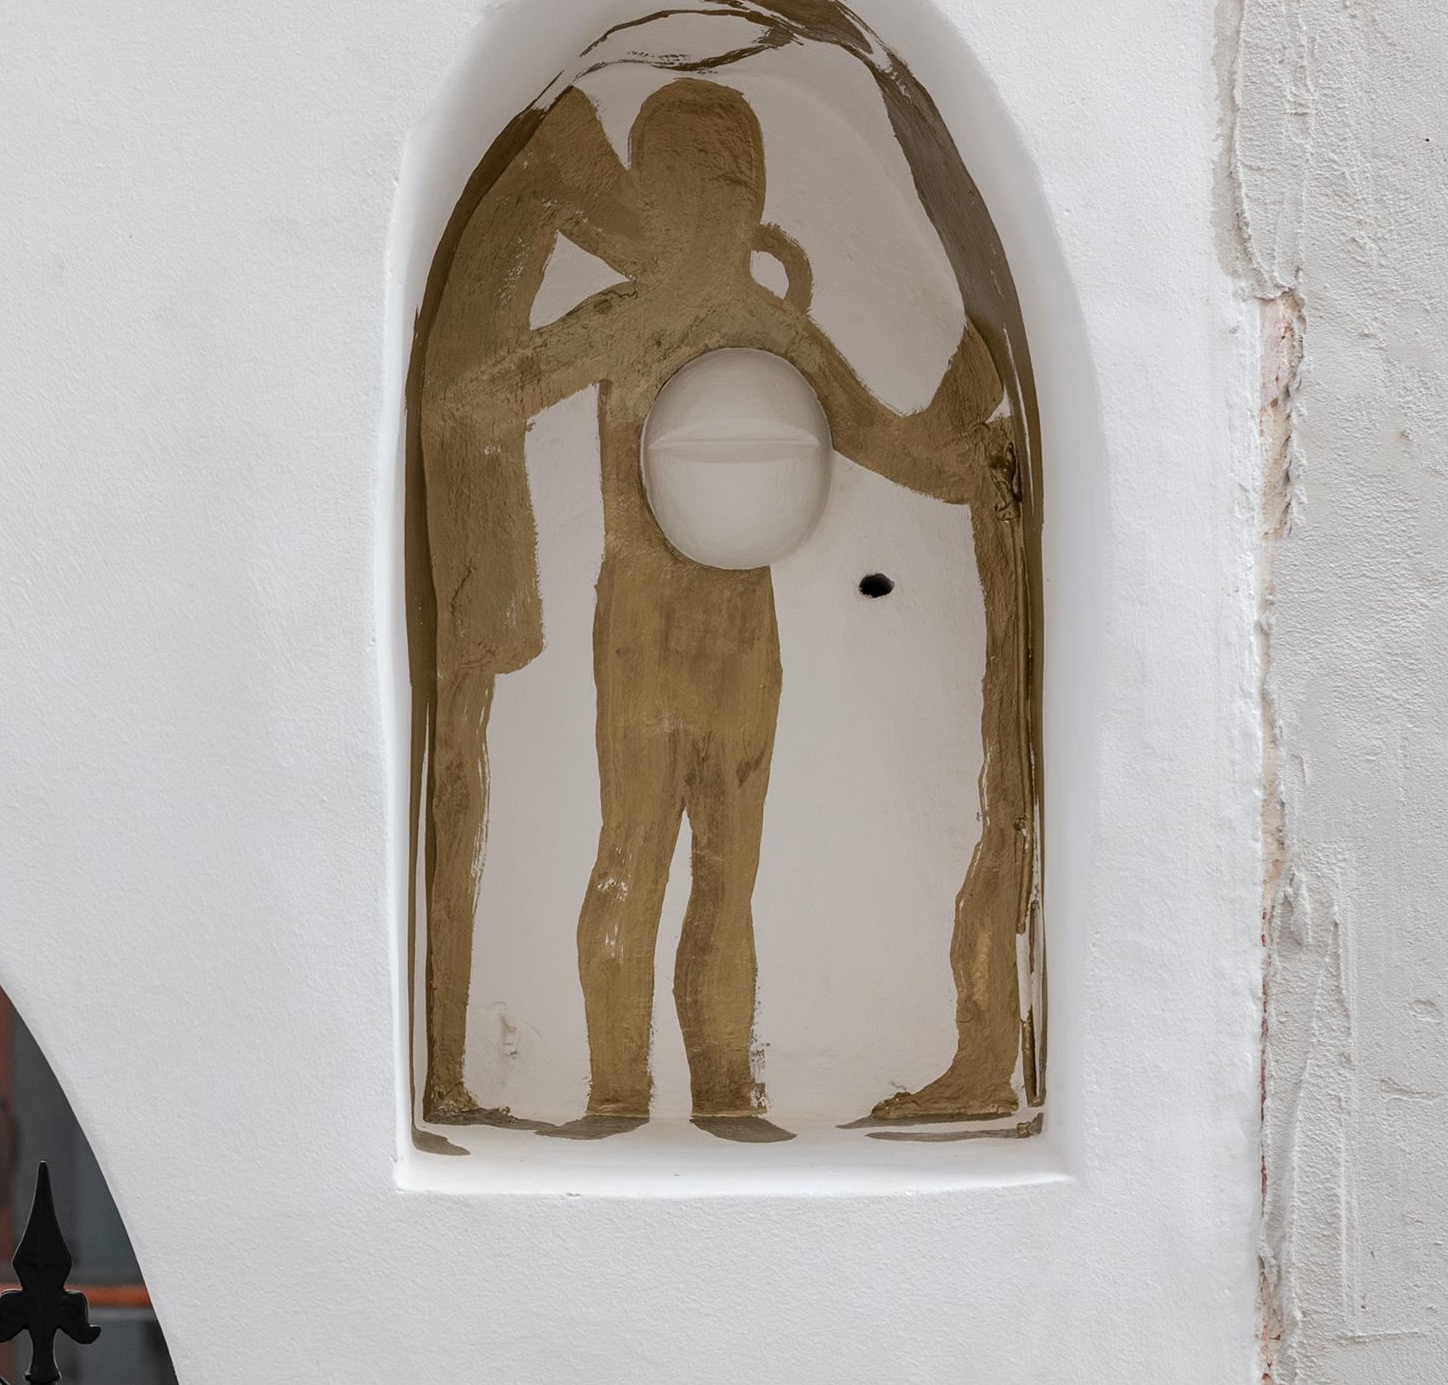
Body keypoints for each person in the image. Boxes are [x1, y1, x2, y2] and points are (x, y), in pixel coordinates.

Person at [424, 75, 1019, 1133]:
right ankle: (623, 1092)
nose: (717, 201)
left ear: (748, 199)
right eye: (699, 180)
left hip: (734, 641)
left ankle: (716, 1092)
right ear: (659, 197)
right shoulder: (677, 319)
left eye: (730, 180)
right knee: (638, 858)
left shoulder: (738, 323)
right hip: (646, 636)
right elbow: (479, 399)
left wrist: (971, 421)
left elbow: (899, 449)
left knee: (714, 870)